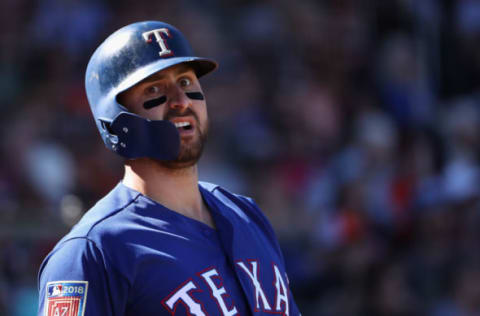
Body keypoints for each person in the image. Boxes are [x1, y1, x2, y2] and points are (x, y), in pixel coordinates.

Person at [37, 20, 301, 316]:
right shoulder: (92, 252)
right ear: (117, 119)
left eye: (187, 82)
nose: (181, 101)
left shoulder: (247, 216)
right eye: (154, 89)